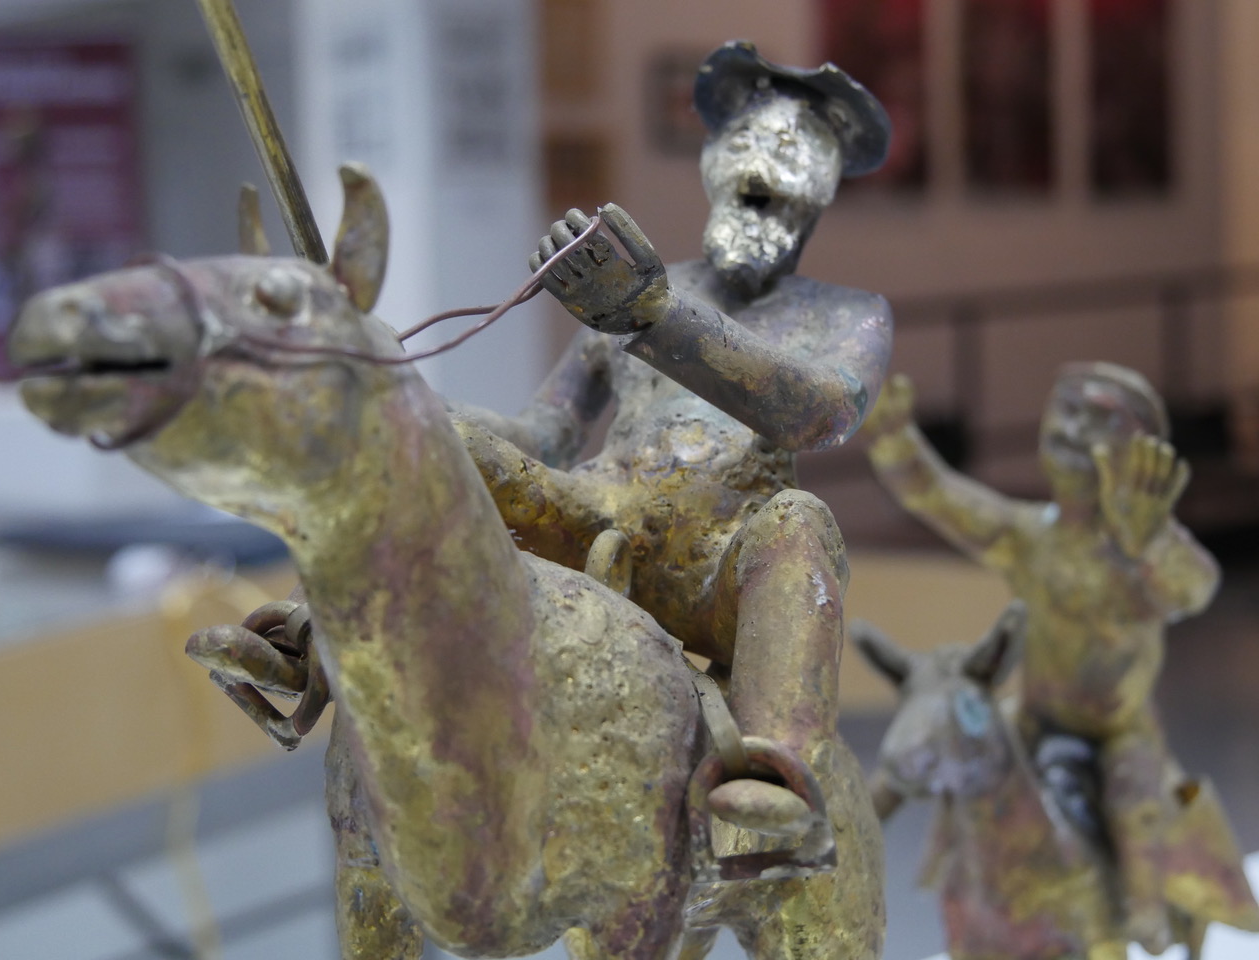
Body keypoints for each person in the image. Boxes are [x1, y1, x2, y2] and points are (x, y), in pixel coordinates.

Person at [451, 40, 893, 828]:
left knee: (799, 523)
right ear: (712, 161)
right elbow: (545, 433)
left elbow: (818, 414)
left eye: (792, 148)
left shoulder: (846, 314)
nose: (762, 162)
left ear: (823, 189)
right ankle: (306, 643)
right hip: (597, 524)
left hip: (719, 570)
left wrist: (655, 316)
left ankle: (773, 767)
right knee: (444, 449)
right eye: (746, 139)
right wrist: (423, 418)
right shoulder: (641, 285)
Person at [859, 363, 1220, 951]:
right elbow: (942, 497)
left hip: (1118, 732)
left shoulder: (1134, 556)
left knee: (1135, 798)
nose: (1075, 429)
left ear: (1142, 455)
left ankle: (1145, 908)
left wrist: (1155, 542)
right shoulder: (1029, 535)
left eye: (1100, 420)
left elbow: (1196, 588)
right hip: (1032, 717)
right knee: (946, 727)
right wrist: (898, 442)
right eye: (1068, 410)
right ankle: (868, 820)